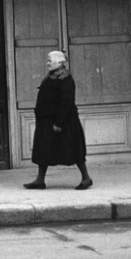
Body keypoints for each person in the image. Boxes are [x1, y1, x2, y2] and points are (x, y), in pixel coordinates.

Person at [23, 50, 93, 191]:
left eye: (50, 60)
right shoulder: (50, 78)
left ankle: (86, 178)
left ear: (60, 63)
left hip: (64, 122)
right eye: (48, 60)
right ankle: (40, 180)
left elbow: (66, 102)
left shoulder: (66, 80)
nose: (47, 63)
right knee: (44, 150)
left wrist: (58, 122)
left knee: (74, 149)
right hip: (47, 121)